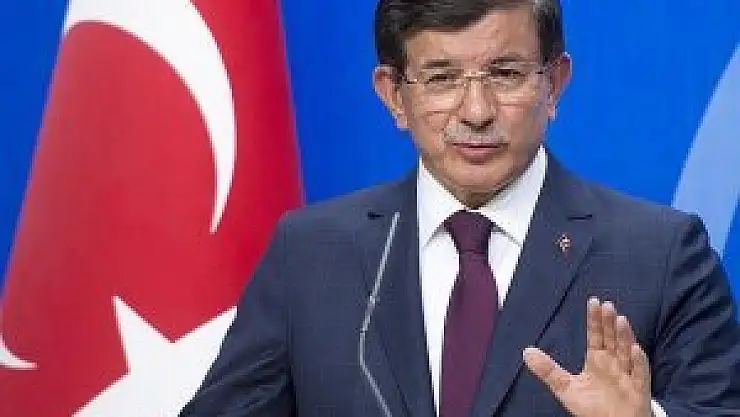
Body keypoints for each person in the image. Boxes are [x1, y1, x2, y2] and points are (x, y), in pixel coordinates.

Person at [179, 0, 740, 415]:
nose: (476, 111)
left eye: (505, 74)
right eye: (442, 78)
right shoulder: (311, 253)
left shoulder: (662, 255)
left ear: (554, 84)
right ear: (394, 95)